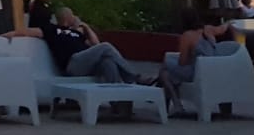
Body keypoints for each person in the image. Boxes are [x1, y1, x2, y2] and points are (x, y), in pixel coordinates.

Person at [10, 7, 153, 85]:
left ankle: (117, 102)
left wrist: (86, 27)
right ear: (68, 18)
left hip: (84, 64)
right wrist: (6, 35)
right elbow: (26, 31)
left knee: (108, 62)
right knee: (106, 46)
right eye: (73, 15)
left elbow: (95, 44)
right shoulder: (52, 30)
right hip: (72, 64)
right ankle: (135, 77)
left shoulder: (77, 33)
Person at [158, 10, 235, 115]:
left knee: (164, 71)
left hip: (197, 73)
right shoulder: (208, 29)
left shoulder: (187, 36)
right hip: (213, 70)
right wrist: (228, 23)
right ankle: (162, 90)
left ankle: (176, 104)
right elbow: (222, 29)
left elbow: (182, 62)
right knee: (167, 67)